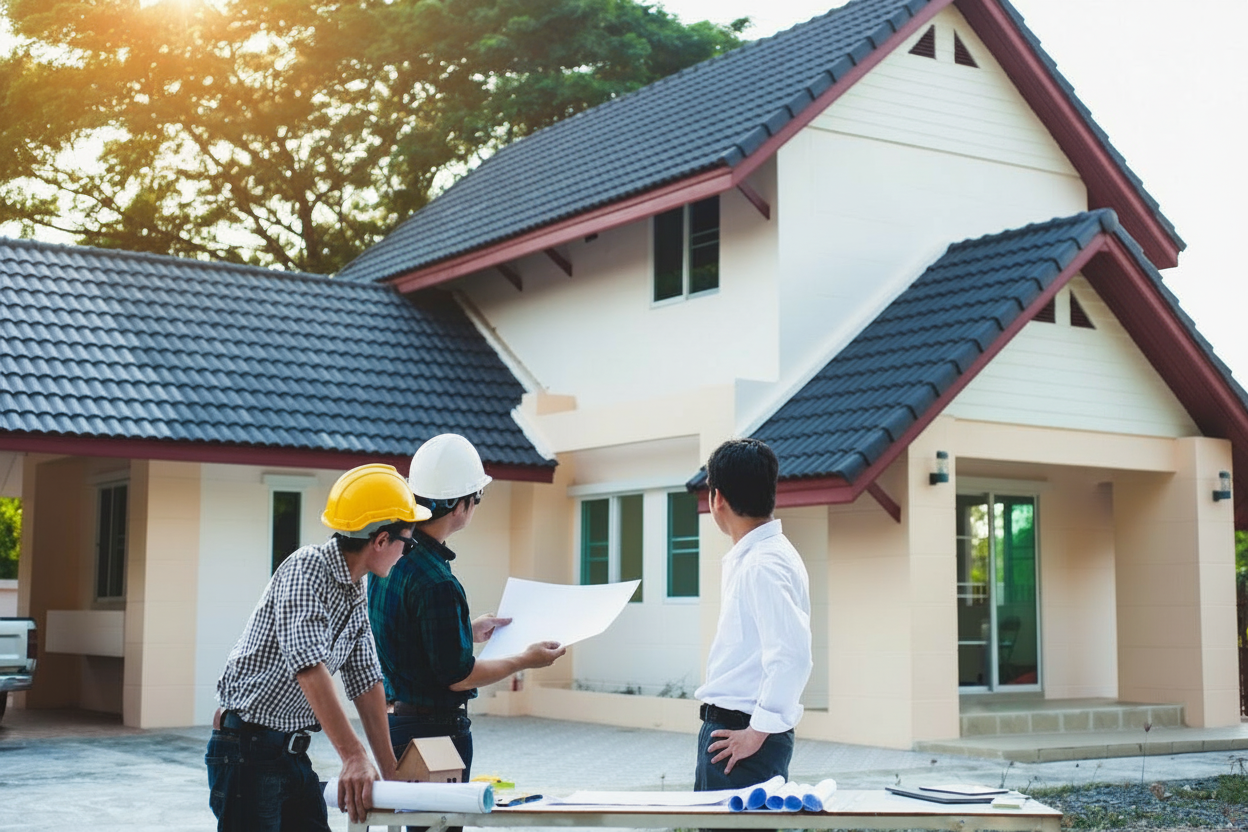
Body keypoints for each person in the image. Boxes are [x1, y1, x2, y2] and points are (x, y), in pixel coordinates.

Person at [206, 463, 430, 830]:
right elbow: (309, 668)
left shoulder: (355, 587)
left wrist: (390, 772)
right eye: (408, 541)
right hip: (246, 750)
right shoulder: (306, 568)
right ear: (381, 540)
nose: (407, 553)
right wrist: (354, 756)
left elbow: (366, 680)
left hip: (291, 754)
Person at [368, 434, 566, 792]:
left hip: (395, 724)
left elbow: (406, 633)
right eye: (477, 497)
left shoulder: (391, 556)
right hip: (435, 733)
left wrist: (466, 630)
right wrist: (525, 659)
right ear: (459, 505)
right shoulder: (437, 581)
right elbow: (458, 677)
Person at [694, 438, 813, 791]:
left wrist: (757, 732)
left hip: (743, 736)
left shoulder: (763, 563)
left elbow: (793, 656)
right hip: (740, 733)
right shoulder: (761, 556)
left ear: (718, 499)